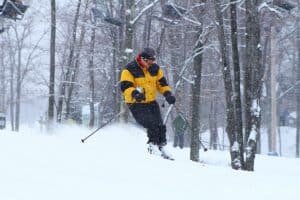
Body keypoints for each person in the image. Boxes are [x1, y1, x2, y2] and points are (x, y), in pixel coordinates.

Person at [120, 47, 176, 158]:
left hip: (151, 102)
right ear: (143, 59)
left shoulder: (155, 69)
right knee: (151, 124)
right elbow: (126, 87)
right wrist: (135, 93)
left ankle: (162, 147)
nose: (152, 63)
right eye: (150, 61)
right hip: (136, 103)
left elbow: (161, 84)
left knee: (160, 125)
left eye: (153, 61)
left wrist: (167, 94)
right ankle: (153, 146)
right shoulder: (130, 69)